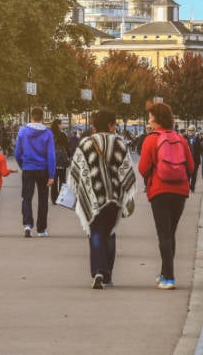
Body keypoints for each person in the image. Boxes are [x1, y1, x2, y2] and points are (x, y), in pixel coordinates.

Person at [67, 109, 136, 289]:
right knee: (110, 232)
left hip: (93, 196)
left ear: (95, 125)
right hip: (114, 197)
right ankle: (108, 275)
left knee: (95, 231)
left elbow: (77, 170)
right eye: (114, 124)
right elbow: (126, 170)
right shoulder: (120, 143)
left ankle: (98, 270)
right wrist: (127, 193)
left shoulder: (86, 144)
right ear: (111, 125)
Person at [137, 100, 194, 290]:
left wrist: (153, 174)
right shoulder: (180, 139)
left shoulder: (151, 139)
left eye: (150, 117)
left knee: (163, 234)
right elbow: (191, 167)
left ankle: (169, 278)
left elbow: (143, 168)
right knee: (170, 233)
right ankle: (164, 273)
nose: (149, 121)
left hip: (160, 191)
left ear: (155, 119)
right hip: (180, 191)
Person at [15, 106, 56, 238]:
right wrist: (51, 175)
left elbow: (17, 152)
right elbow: (51, 155)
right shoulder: (48, 133)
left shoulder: (22, 131)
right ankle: (41, 229)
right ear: (42, 117)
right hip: (43, 169)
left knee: (26, 197)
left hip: (28, 168)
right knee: (43, 199)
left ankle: (27, 224)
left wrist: (23, 165)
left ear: (31, 116)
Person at [50, 119, 71, 205]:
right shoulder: (62, 134)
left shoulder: (50, 134)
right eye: (61, 124)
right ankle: (62, 199)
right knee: (63, 179)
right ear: (58, 125)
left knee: (54, 180)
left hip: (53, 160)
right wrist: (69, 156)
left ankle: (54, 198)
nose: (62, 125)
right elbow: (67, 146)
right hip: (62, 159)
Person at [187, 126, 203, 192]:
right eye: (189, 130)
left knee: (194, 174)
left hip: (195, 160)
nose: (190, 131)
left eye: (192, 130)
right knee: (187, 174)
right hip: (187, 160)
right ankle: (187, 186)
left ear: (194, 131)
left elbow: (201, 149)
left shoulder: (198, 139)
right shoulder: (186, 139)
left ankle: (192, 187)